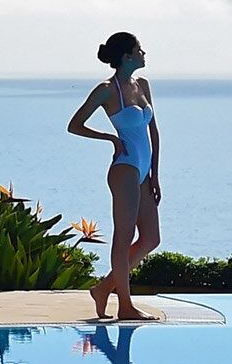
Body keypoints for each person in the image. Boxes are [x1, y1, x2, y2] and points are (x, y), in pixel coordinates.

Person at [66, 30, 162, 320]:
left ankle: (104, 288)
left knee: (151, 239)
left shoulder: (142, 85)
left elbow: (153, 132)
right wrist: (110, 138)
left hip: (144, 172)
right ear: (127, 56)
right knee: (124, 236)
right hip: (125, 168)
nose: (144, 53)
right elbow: (75, 125)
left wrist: (155, 175)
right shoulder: (107, 90)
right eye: (139, 49)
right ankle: (125, 305)